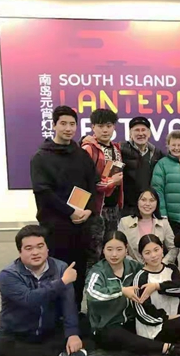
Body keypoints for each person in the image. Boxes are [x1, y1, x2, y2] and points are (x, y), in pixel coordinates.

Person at [0, 225, 87, 356]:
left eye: (40, 246)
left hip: (48, 331)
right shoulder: (8, 275)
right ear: (20, 251)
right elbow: (30, 299)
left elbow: (68, 303)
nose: (35, 252)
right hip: (19, 334)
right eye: (29, 248)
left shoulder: (61, 268)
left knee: (85, 325)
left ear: (47, 248)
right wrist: (62, 282)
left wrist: (72, 334)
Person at [85, 231, 180, 356]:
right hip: (106, 326)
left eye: (119, 249)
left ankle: (161, 342)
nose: (114, 254)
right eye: (109, 249)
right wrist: (121, 291)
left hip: (131, 321)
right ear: (103, 250)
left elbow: (151, 273)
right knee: (119, 335)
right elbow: (92, 293)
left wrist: (158, 285)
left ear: (126, 249)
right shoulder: (98, 271)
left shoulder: (133, 266)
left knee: (145, 329)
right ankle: (167, 348)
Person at [30, 105, 97, 309]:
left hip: (81, 226)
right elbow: (44, 192)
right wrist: (71, 212)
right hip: (56, 227)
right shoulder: (41, 157)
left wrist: (88, 210)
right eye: (63, 124)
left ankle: (75, 312)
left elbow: (92, 185)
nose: (68, 128)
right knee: (56, 273)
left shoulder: (81, 155)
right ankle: (56, 318)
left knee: (79, 271)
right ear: (54, 125)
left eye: (72, 124)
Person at [81, 109, 124, 261]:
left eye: (109, 126)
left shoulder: (116, 148)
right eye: (100, 126)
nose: (105, 130)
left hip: (114, 208)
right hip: (96, 209)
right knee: (94, 252)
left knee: (111, 250)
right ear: (93, 127)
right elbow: (85, 181)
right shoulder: (88, 149)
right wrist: (111, 183)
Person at [151, 130, 180, 238]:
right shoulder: (162, 164)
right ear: (168, 146)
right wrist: (163, 214)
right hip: (171, 216)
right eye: (173, 145)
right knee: (173, 245)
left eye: (179, 145)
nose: (176, 148)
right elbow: (158, 190)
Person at [117, 189, 177, 264]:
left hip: (158, 267)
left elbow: (173, 248)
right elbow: (120, 249)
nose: (147, 204)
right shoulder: (125, 222)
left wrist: (163, 263)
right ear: (137, 201)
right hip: (133, 268)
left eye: (152, 200)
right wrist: (135, 265)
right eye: (143, 200)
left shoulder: (163, 222)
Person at [120, 116, 164, 216]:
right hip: (127, 208)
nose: (140, 133)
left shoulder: (157, 154)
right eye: (137, 130)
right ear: (130, 133)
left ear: (149, 133)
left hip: (149, 207)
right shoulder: (120, 150)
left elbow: (175, 156)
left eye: (143, 130)